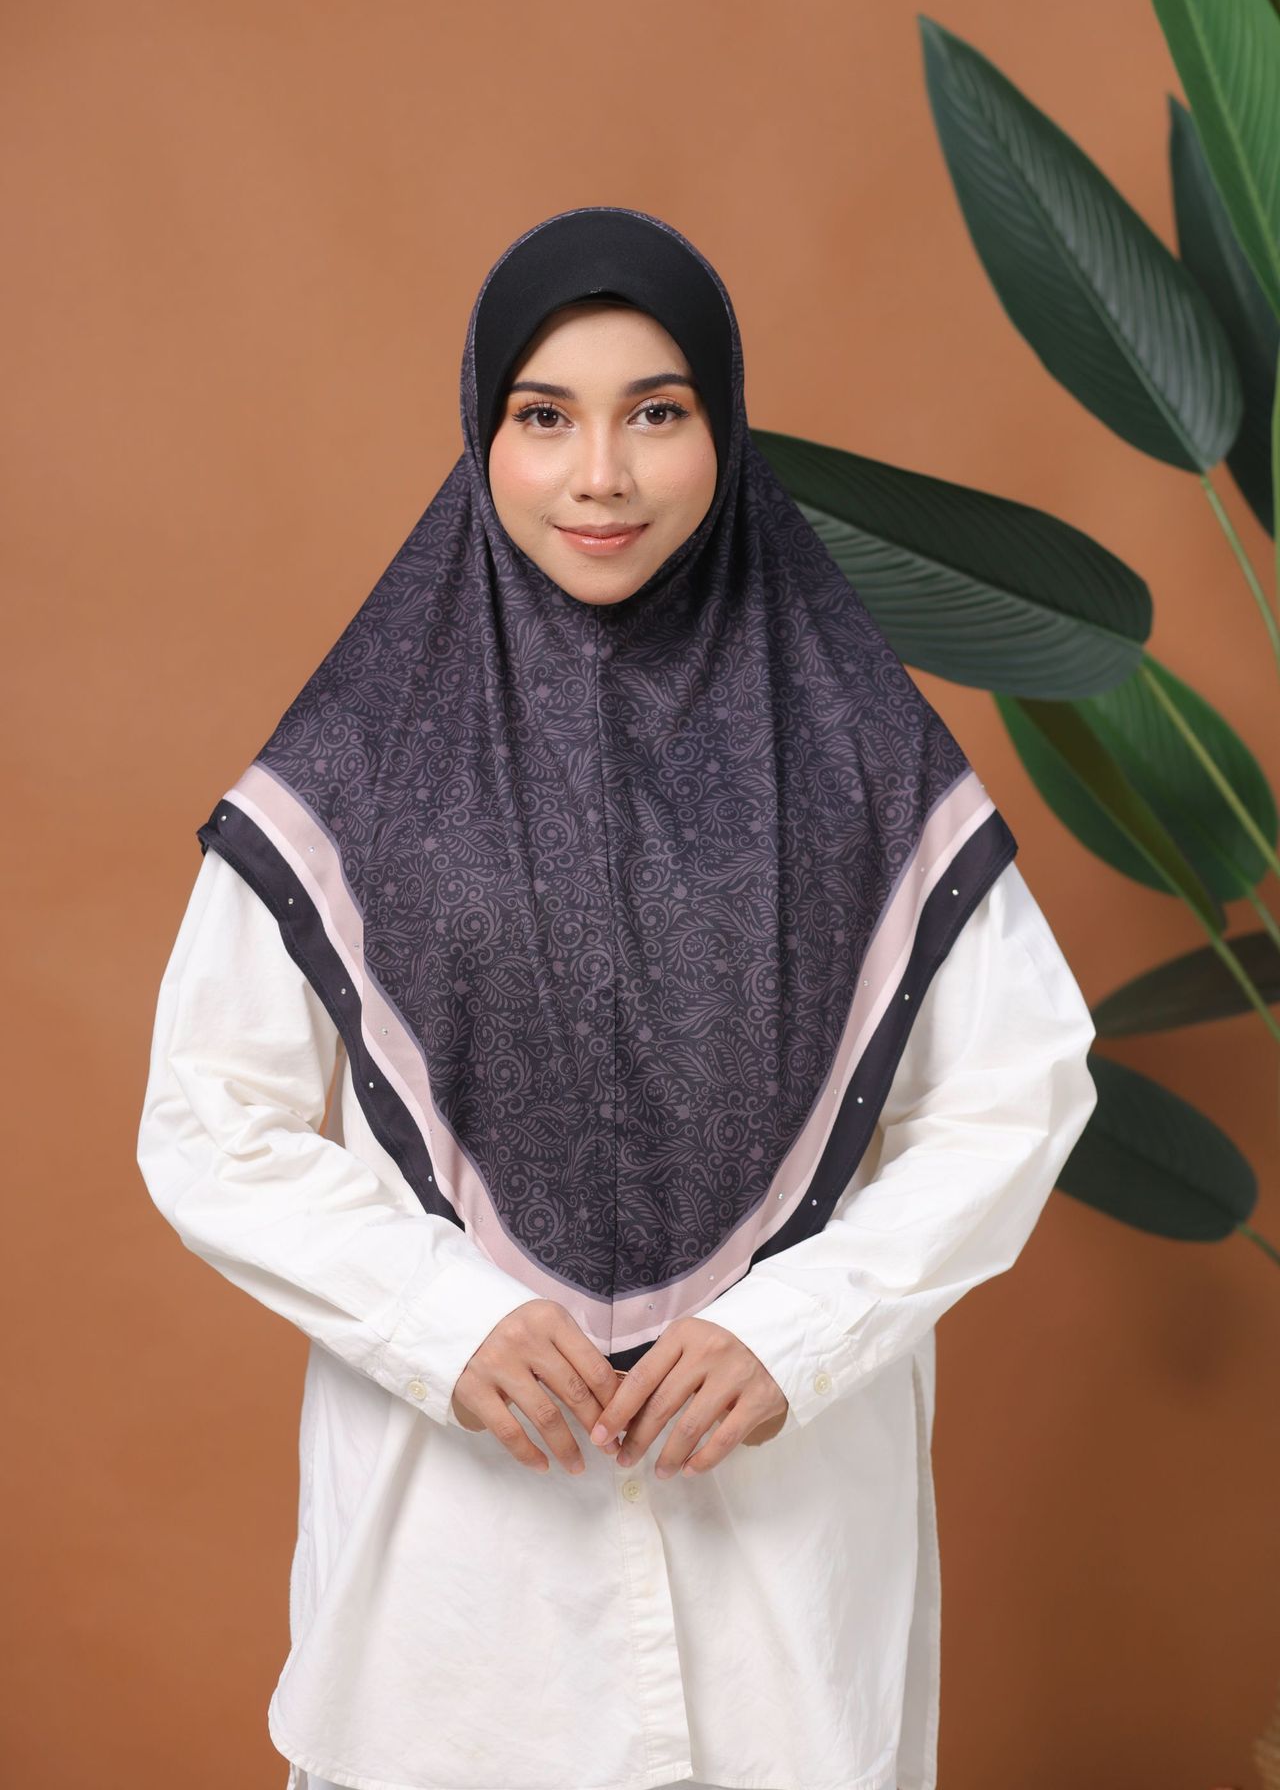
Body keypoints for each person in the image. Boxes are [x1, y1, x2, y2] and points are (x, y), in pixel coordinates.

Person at [136, 204, 1098, 1790]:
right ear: (482, 432)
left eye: (656, 413)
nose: (602, 475)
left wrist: (801, 1328)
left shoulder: (858, 754)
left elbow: (1018, 1088)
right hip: (457, 1589)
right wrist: (441, 1319)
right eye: (544, 417)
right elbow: (207, 1117)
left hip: (779, 1561)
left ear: (724, 424)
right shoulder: (359, 763)